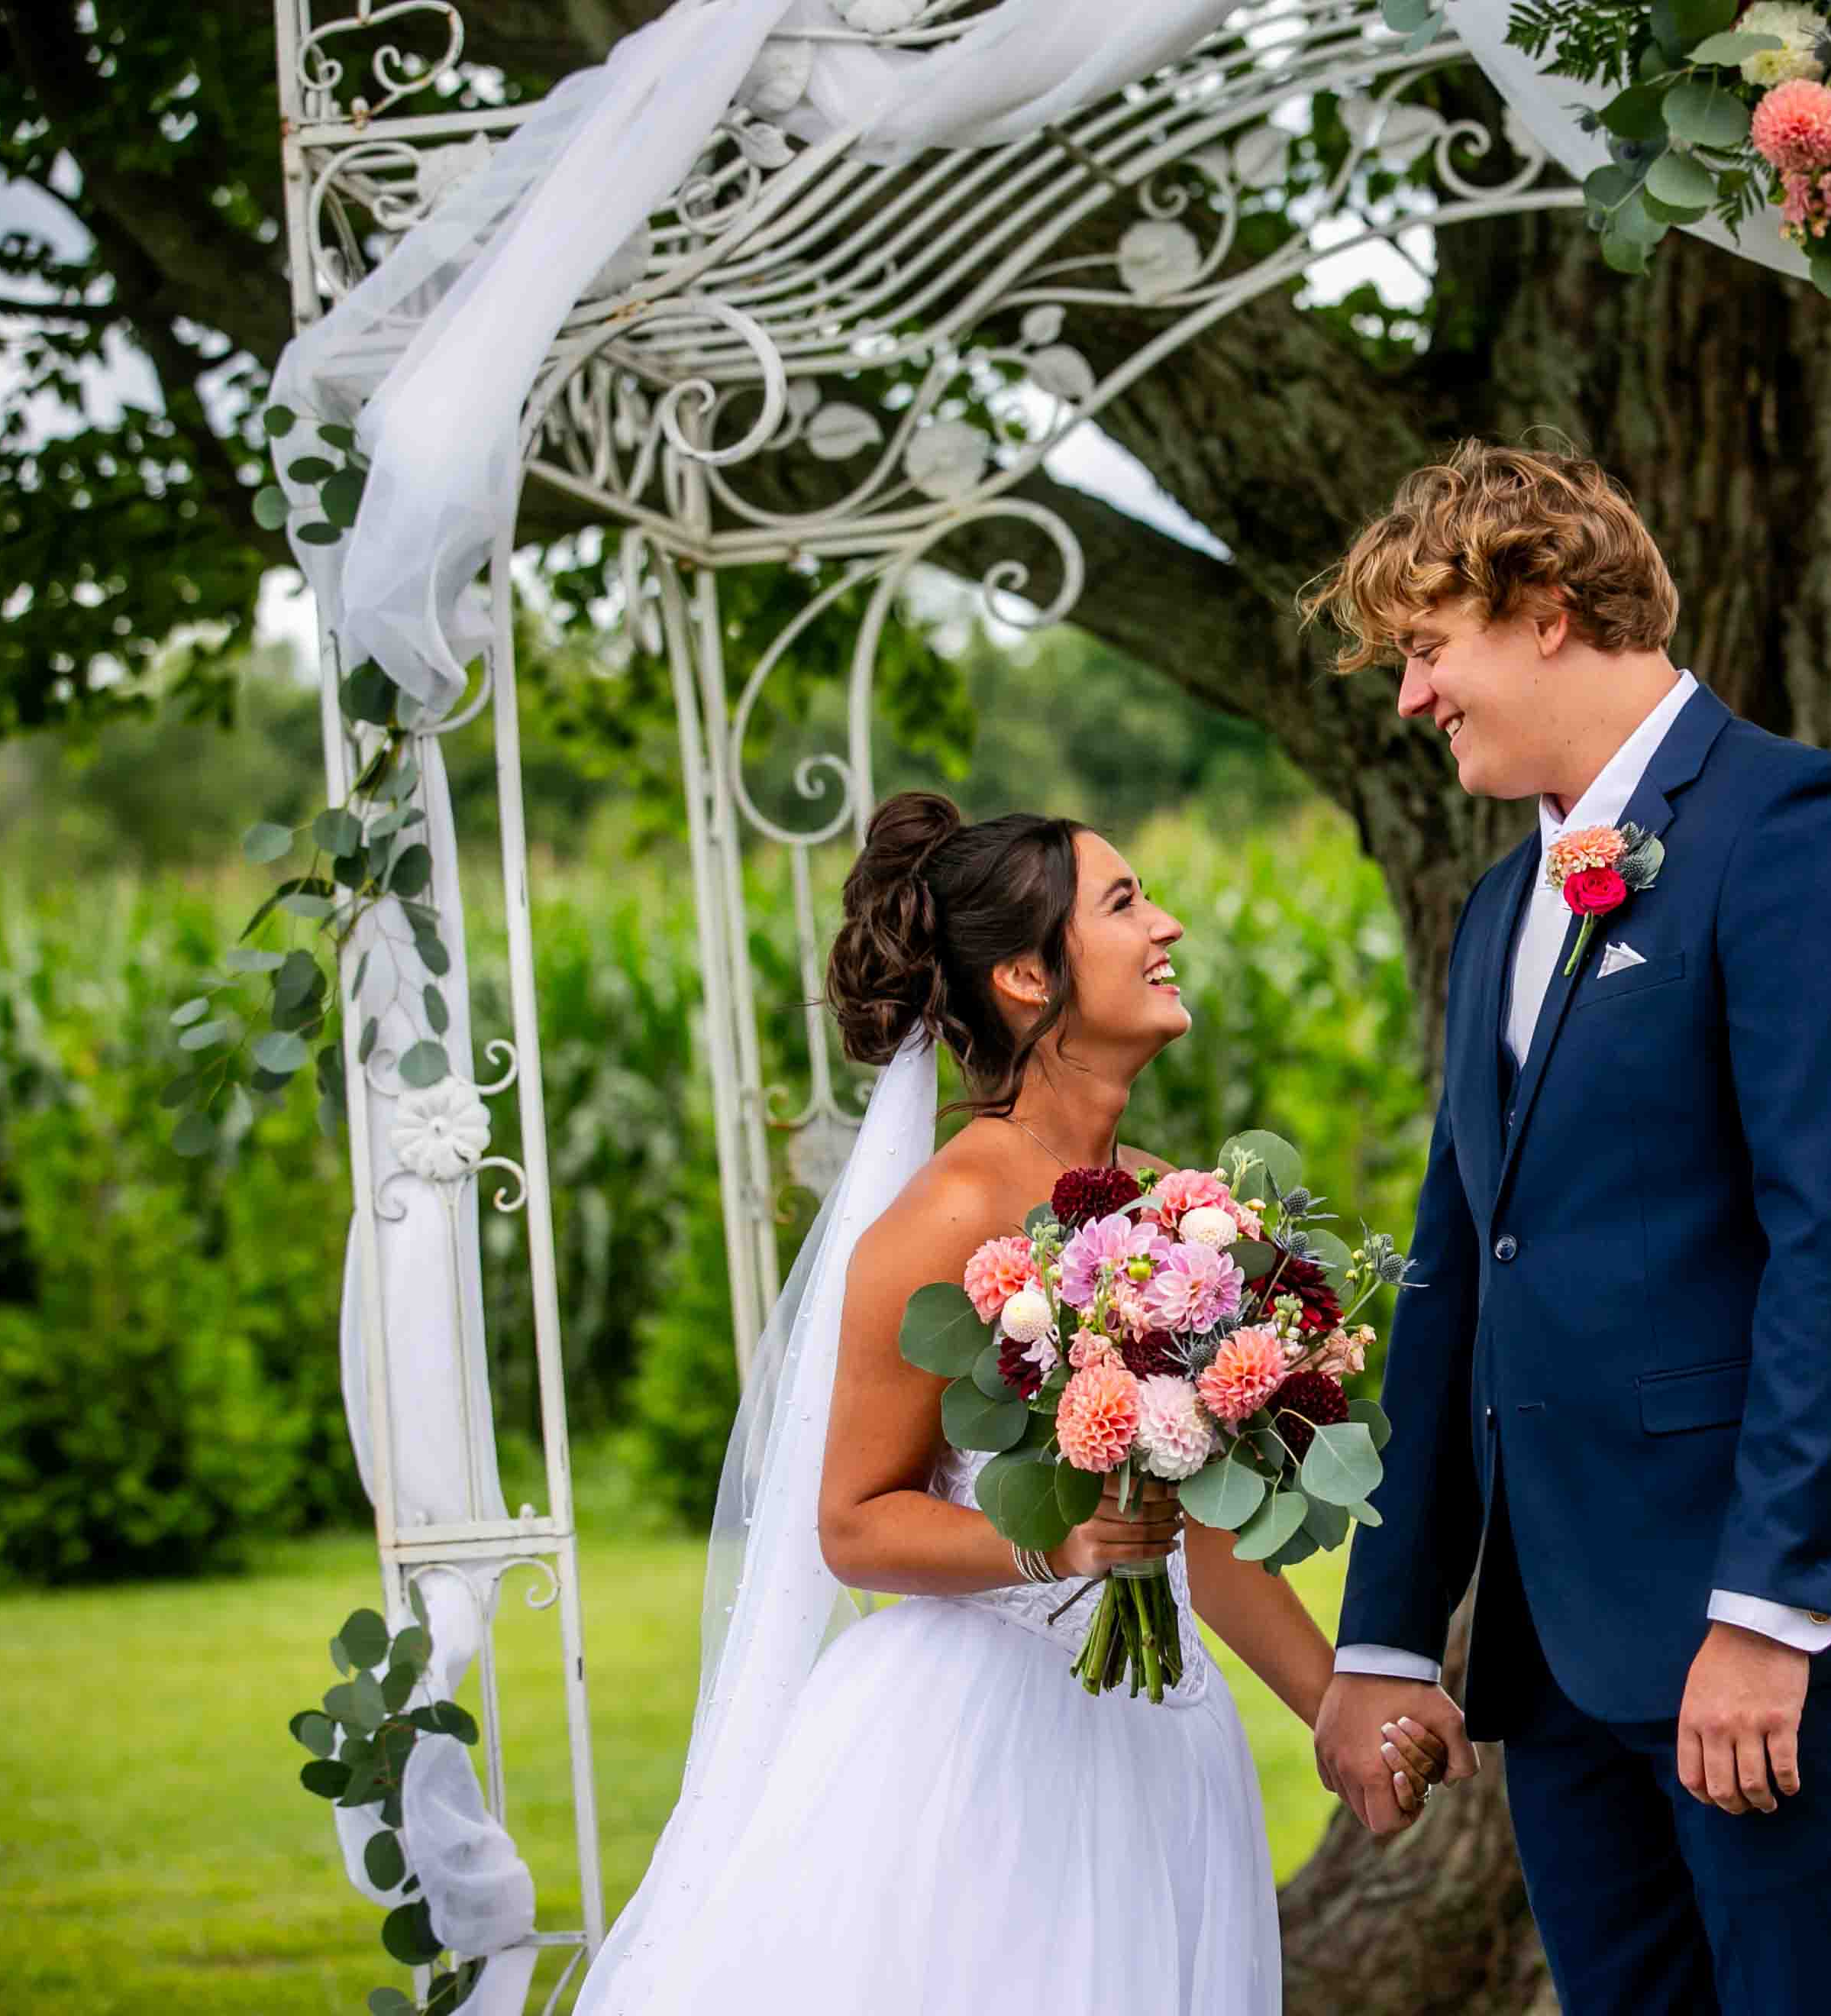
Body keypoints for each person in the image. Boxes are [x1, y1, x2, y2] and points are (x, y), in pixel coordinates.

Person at [1300, 442, 1831, 2014]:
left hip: (1779, 1647)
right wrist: (1386, 1633)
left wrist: (1767, 1616)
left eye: (1429, 649)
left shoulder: (1801, 833)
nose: (1412, 698)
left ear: (1546, 609)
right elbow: (1454, 1281)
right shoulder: (1502, 907)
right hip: (1564, 1665)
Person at [577, 794, 1444, 2014]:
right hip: (978, 1746)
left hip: (1157, 1738)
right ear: (1030, 976)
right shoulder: (947, 1214)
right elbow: (854, 1522)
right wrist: (1056, 1541)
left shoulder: (1173, 1214)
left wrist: (1335, 1708)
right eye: (1127, 904)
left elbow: (1193, 1526)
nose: (1170, 926)